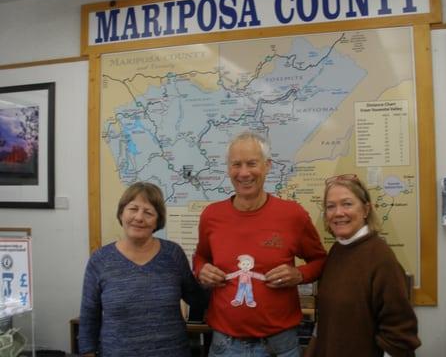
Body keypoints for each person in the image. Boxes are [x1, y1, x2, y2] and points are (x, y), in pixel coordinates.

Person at [193, 131, 327, 357]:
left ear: (267, 166)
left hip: (280, 345)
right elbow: (201, 257)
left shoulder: (293, 215)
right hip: (225, 346)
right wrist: (201, 269)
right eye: (236, 164)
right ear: (228, 169)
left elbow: (320, 260)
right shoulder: (211, 216)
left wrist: (299, 274)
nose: (244, 173)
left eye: (252, 164)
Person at [78, 182, 207, 357]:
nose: (139, 218)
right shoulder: (100, 260)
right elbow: (88, 317)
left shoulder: (173, 254)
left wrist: (210, 272)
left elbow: (197, 299)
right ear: (121, 213)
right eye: (133, 209)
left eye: (148, 212)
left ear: (157, 221)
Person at [305, 174, 420, 357]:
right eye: (331, 206)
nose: (338, 212)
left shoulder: (380, 258)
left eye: (347, 204)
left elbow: (400, 334)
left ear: (366, 209)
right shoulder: (337, 250)